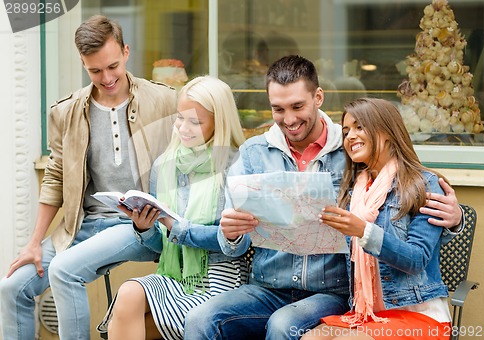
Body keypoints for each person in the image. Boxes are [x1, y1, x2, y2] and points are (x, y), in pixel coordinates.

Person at [183, 55, 463, 340]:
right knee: (200, 319)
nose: (289, 119)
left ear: (318, 97)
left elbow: (401, 192)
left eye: (297, 106)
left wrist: (455, 220)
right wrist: (230, 235)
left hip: (330, 291)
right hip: (267, 286)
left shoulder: (353, 154)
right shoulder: (254, 153)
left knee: (284, 324)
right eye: (278, 109)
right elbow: (235, 245)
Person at [0, 15, 177, 340]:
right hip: (82, 228)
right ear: (83, 63)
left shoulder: (165, 100)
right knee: (11, 287)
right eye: (95, 71)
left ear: (126, 51)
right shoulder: (65, 112)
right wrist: (34, 242)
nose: (107, 77)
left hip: (140, 227)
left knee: (64, 271)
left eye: (112, 66)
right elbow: (55, 177)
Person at [98, 75, 248, 340]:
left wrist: (179, 228)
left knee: (124, 326)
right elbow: (161, 246)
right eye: (180, 118)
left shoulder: (235, 166)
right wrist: (144, 228)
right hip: (176, 273)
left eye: (196, 122)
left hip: (220, 279)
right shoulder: (164, 165)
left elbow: (236, 243)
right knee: (129, 293)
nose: (184, 128)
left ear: (219, 122)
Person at [302, 98, 454, 340]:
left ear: (387, 132)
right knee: (310, 338)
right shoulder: (352, 190)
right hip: (367, 313)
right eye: (346, 131)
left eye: (359, 126)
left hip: (419, 313)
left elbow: (416, 259)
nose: (350, 136)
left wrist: (364, 231)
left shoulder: (423, 185)